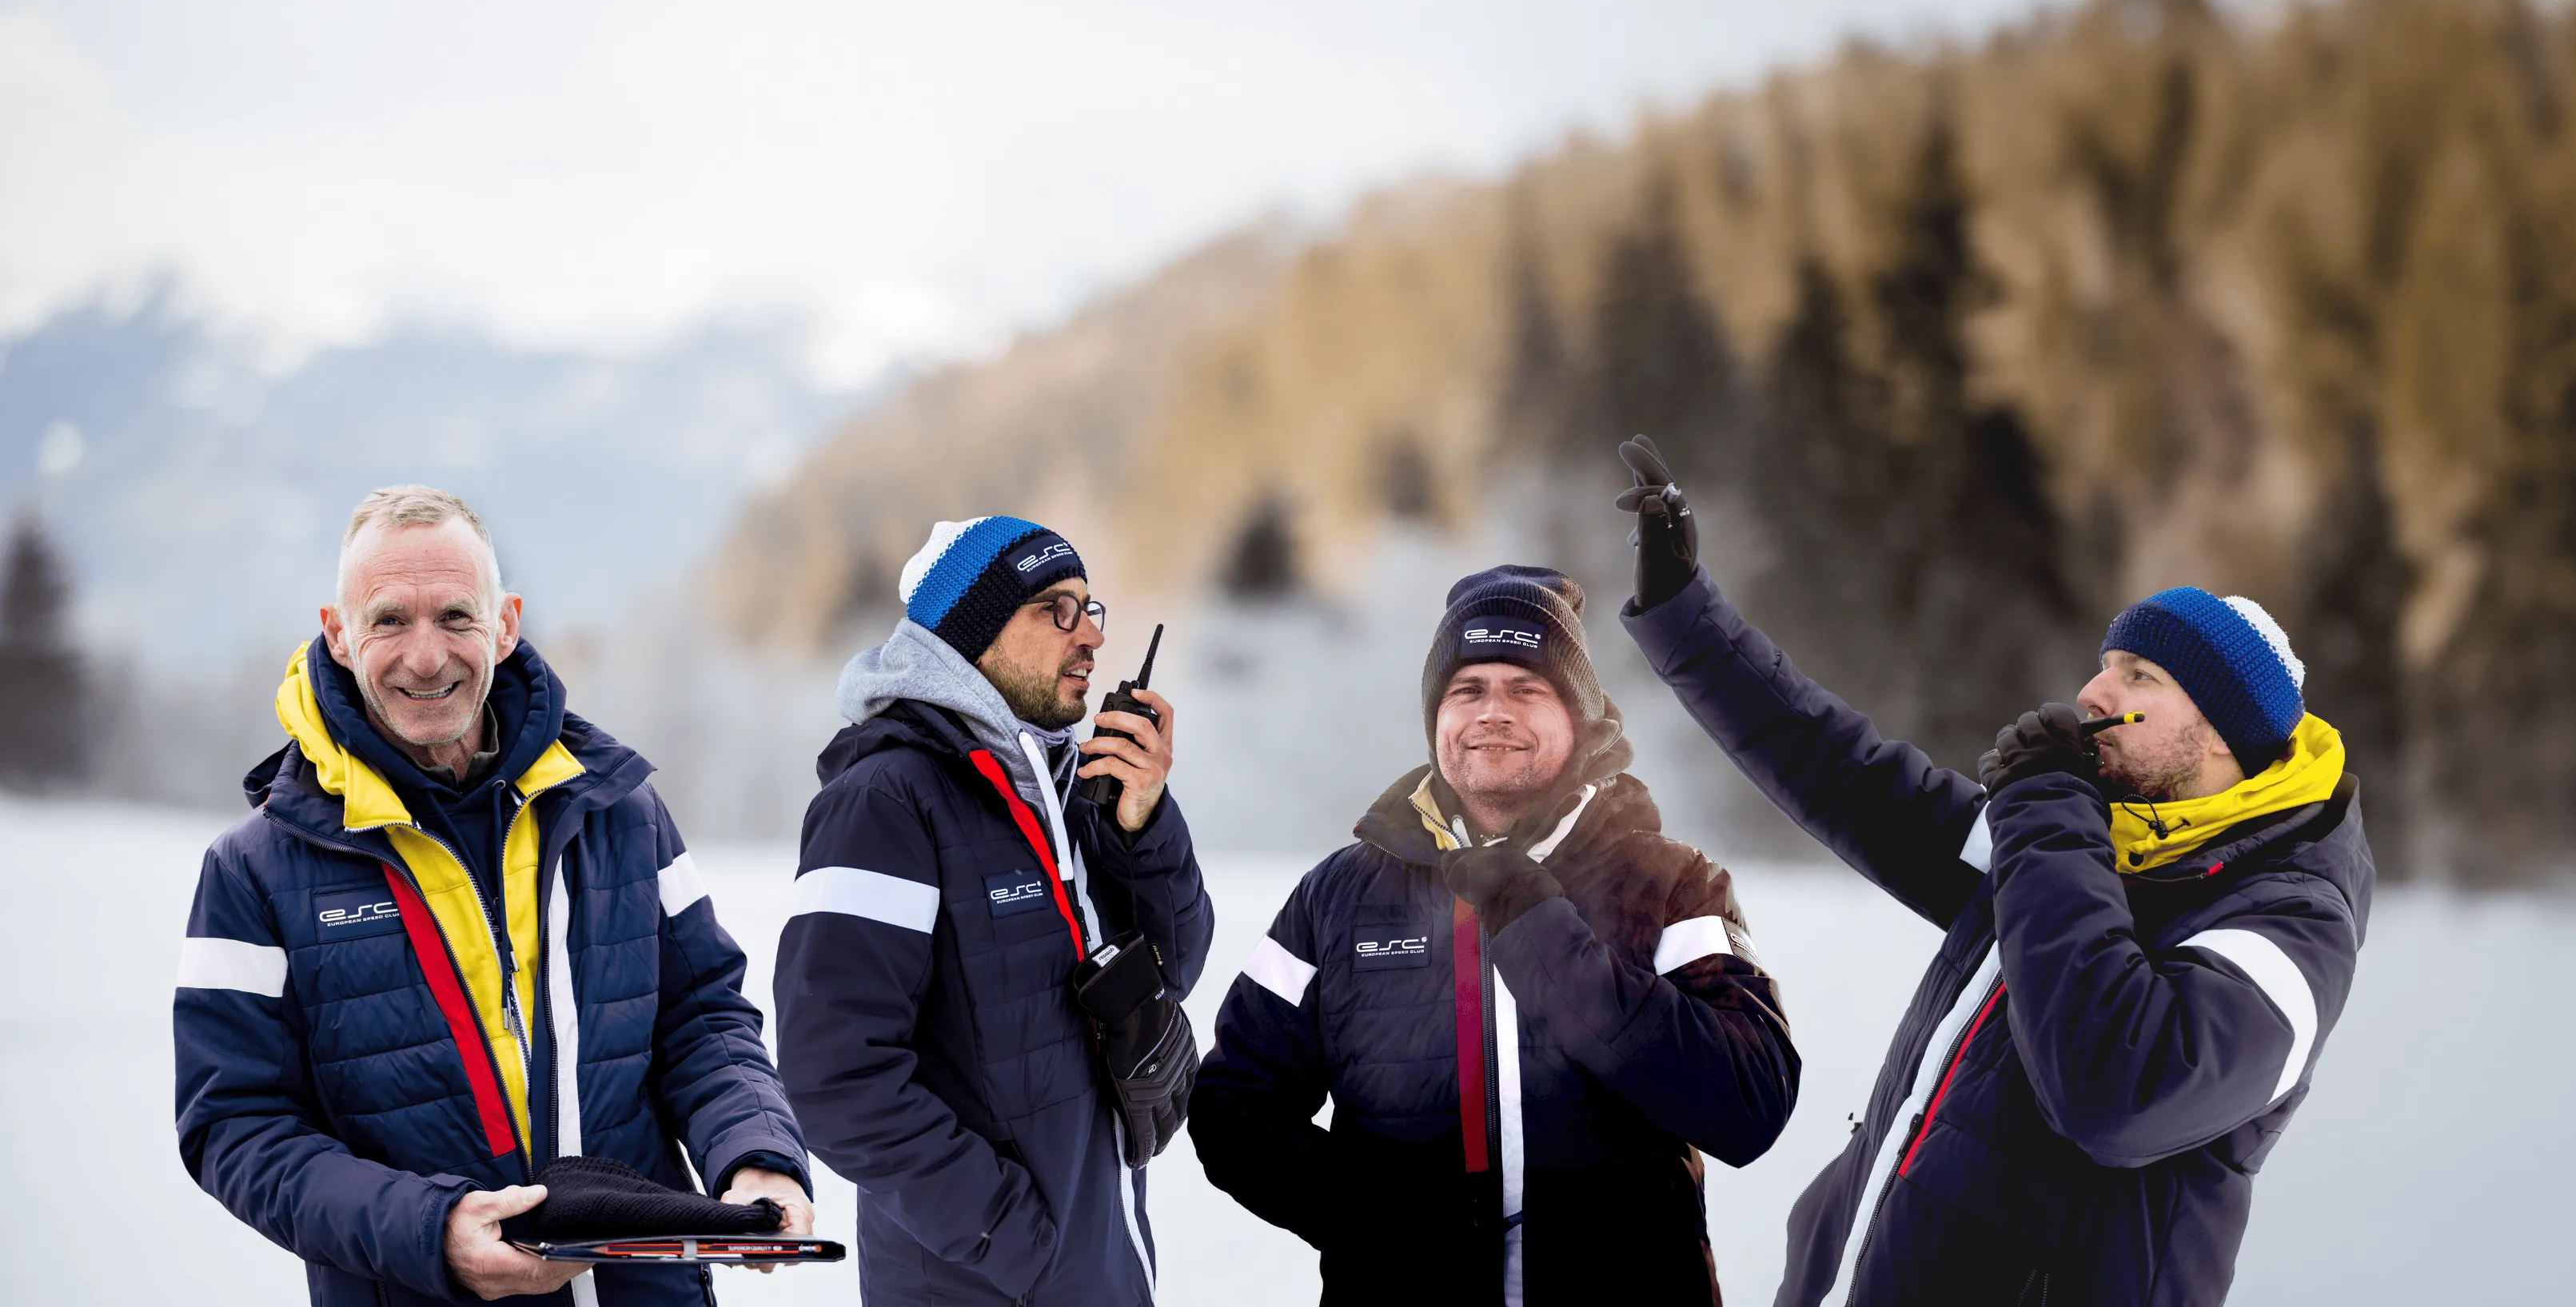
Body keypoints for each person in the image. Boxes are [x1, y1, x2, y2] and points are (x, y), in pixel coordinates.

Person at [1613, 436, 2373, 1307]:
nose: (2092, 692)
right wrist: (1682, 614)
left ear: (2220, 736)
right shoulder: (2087, 843)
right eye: (2102, 664)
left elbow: (2116, 1094)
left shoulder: (2286, 922)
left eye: (2139, 675)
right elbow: (1841, 771)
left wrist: (2048, 802)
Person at [175, 486, 813, 1307]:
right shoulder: (253, 869)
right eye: (389, 621)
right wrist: (430, 1232)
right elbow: (235, 1125)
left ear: (505, 623)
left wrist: (755, 1154)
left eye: (455, 617)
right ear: (337, 635)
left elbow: (702, 1015)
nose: (427, 656)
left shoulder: (618, 809)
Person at [1190, 564, 1800, 1306]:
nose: (1492, 712)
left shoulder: (1670, 885)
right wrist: (1368, 1218)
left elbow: (1748, 1103)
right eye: (1467, 690)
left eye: (1526, 688)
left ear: (1576, 715)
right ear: (1435, 717)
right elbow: (1231, 1105)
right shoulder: (1339, 896)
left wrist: (1539, 927)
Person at [774, 515, 1212, 1305]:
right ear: (972, 632)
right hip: (987, 1282)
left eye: (1091, 610)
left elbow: (1170, 969)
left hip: (1101, 1265)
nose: (1091, 639)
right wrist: (1018, 1244)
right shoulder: (886, 799)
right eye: (1056, 610)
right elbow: (837, 1075)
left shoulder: (1067, 789)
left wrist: (1141, 823)